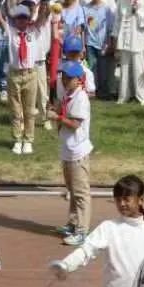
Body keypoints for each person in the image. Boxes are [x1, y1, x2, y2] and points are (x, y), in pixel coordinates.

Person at [47, 60, 93, 246]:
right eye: (63, 76)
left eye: (68, 77)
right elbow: (64, 111)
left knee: (81, 193)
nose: (64, 80)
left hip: (78, 152)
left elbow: (75, 125)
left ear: (78, 79)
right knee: (72, 190)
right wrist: (55, 109)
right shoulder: (68, 95)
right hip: (68, 150)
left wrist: (57, 117)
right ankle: (73, 223)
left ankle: (82, 231)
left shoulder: (81, 98)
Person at [0, 1, 51, 155]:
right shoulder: (11, 32)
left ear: (28, 19)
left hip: (30, 74)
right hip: (14, 74)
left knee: (29, 110)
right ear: (14, 19)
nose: (21, 21)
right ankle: (17, 139)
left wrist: (44, 0)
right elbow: (0, 18)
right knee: (15, 109)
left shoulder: (33, 31)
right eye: (18, 18)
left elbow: (43, 16)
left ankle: (28, 139)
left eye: (24, 18)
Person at [83, 0, 115, 99]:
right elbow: (83, 28)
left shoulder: (107, 9)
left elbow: (111, 28)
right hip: (90, 43)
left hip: (103, 43)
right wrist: (84, 44)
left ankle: (104, 91)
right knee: (91, 68)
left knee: (103, 69)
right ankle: (92, 90)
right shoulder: (85, 8)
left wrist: (110, 43)